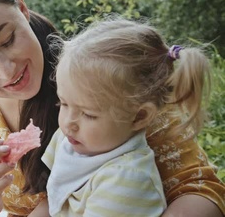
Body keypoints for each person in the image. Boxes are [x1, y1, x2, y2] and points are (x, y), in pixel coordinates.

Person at [0, 0, 225, 217]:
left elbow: (199, 190)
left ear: (22, 7)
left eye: (7, 40)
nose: (5, 71)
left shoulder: (108, 76)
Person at [40, 18, 214, 216]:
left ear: (139, 117)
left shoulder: (126, 179)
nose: (68, 123)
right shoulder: (70, 140)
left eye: (88, 114)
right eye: (63, 103)